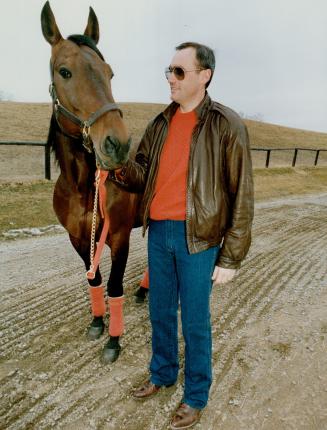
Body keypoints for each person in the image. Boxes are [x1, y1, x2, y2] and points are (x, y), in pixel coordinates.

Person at [111, 41, 254, 429]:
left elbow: (242, 193)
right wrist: (119, 165)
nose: (170, 78)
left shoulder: (226, 124)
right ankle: (162, 373)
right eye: (168, 71)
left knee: (194, 321)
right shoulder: (160, 123)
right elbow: (141, 172)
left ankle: (195, 395)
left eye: (179, 71)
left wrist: (231, 255)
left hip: (199, 239)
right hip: (159, 233)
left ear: (203, 76)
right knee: (159, 312)